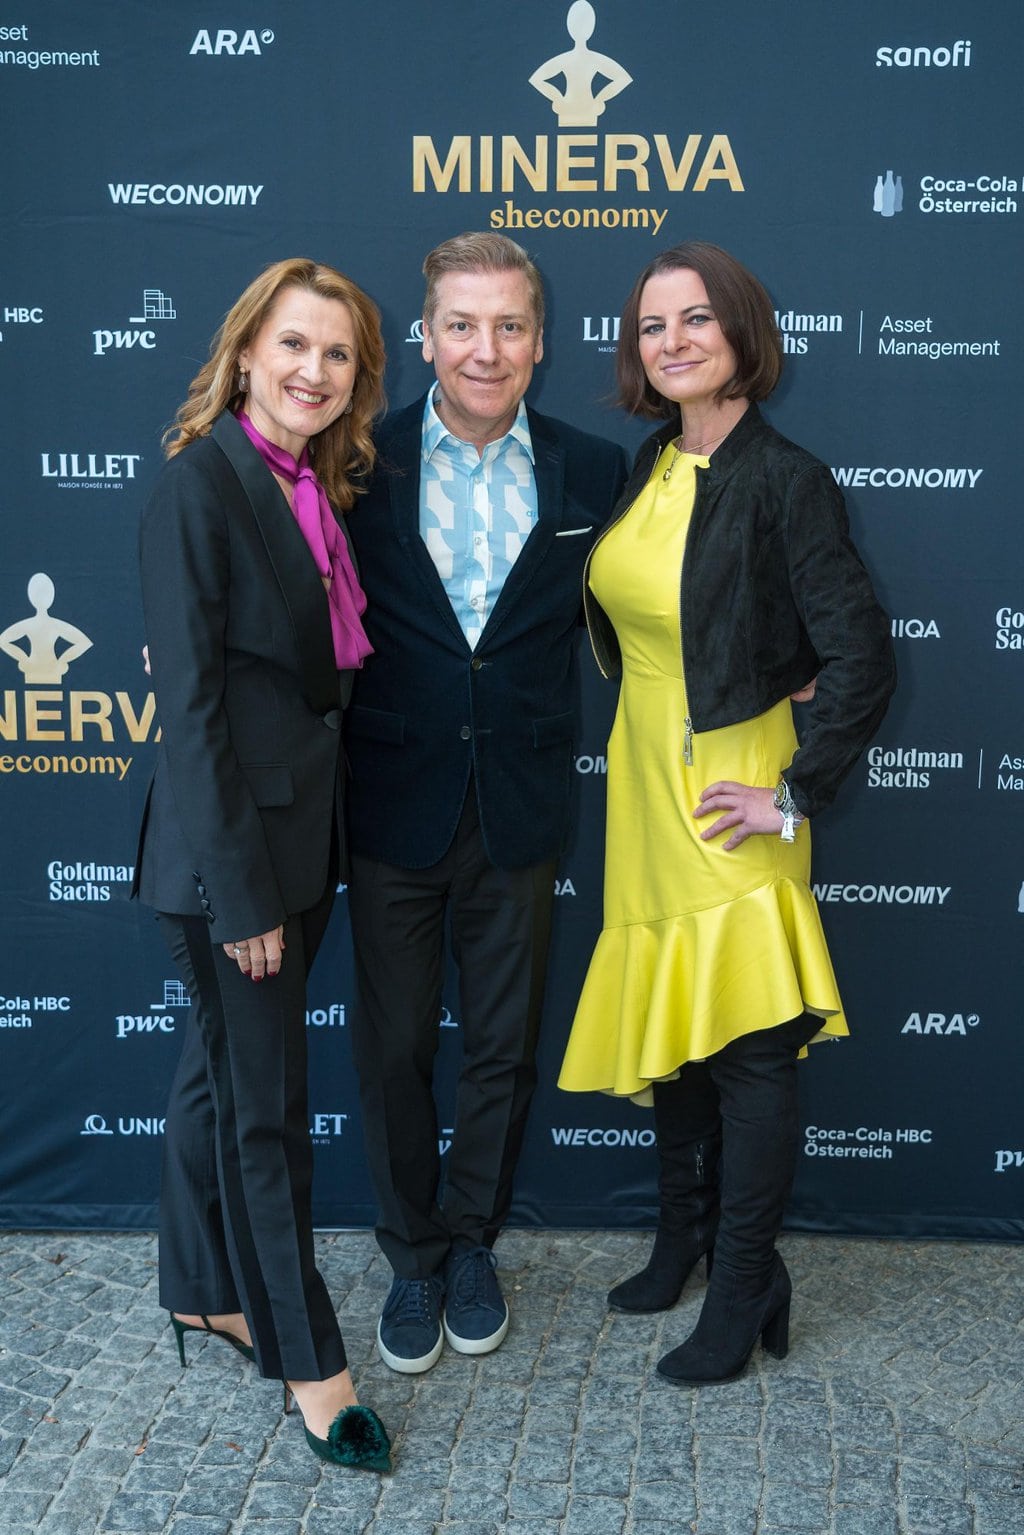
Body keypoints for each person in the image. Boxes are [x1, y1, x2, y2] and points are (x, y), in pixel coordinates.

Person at [558, 241, 896, 1385]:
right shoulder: (652, 460)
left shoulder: (785, 477)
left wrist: (791, 793)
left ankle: (747, 1278)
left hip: (730, 790)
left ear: (742, 330)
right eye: (653, 326)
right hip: (643, 780)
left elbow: (863, 655)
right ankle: (684, 1241)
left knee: (750, 1049)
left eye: (696, 318)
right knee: (680, 1027)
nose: (673, 341)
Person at [344, 232, 628, 1374]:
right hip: (391, 798)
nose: (485, 348)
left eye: (509, 325)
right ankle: (412, 1255)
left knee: (502, 1049)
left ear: (540, 342)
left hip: (520, 800)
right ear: (425, 336)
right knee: (395, 1047)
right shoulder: (355, 461)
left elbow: (660, 597)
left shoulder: (593, 470)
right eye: (462, 324)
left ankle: (471, 1243)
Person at [132, 258, 391, 1470]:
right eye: (293, 343)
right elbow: (190, 718)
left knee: (218, 1078)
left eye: (337, 353)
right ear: (245, 352)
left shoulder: (309, 487)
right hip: (229, 867)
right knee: (268, 1115)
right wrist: (241, 897)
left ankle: (202, 1289)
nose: (313, 370)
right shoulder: (201, 486)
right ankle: (310, 1362)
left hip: (296, 842)